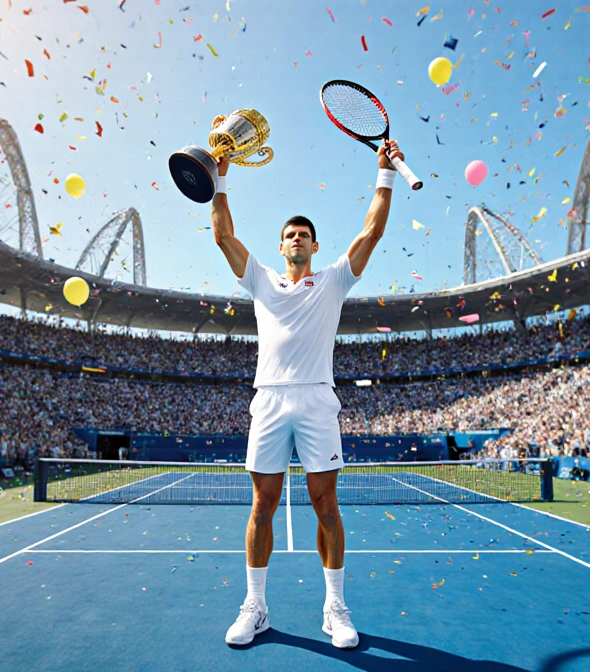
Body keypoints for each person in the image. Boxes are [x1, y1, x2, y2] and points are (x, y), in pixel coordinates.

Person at [215, 139, 404, 649]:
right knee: (263, 504)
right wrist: (220, 177)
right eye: (289, 234)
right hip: (270, 400)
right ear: (281, 246)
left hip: (319, 400)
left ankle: (334, 607)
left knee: (326, 503)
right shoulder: (260, 280)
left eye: (304, 234)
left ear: (315, 246)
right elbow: (223, 235)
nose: (296, 238)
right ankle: (255, 607)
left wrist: (384, 174)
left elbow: (372, 230)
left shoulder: (334, 281)